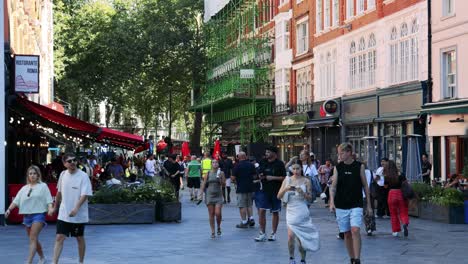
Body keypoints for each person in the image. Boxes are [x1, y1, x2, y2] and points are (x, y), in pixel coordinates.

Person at [329, 143, 372, 264]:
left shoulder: (359, 167)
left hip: (356, 204)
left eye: (341, 153)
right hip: (341, 204)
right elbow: (333, 187)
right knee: (346, 233)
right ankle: (352, 258)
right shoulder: (338, 167)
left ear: (349, 153)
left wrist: (368, 205)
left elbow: (365, 186)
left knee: (355, 230)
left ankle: (358, 259)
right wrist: (332, 202)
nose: (340, 155)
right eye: (339, 153)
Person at [5, 165, 54, 264]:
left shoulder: (43, 186)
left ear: (38, 175)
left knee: (32, 237)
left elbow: (49, 200)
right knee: (33, 238)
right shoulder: (24, 188)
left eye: (34, 173)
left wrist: (50, 209)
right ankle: (42, 257)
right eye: (30, 174)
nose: (32, 175)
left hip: (39, 215)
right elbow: (16, 200)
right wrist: (9, 210)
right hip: (27, 217)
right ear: (28, 176)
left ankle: (29, 261)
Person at [52, 153, 93, 264]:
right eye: (69, 161)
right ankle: (54, 262)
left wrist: (76, 208)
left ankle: (81, 261)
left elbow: (85, 194)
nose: (73, 162)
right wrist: (55, 207)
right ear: (64, 164)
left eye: (74, 160)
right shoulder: (62, 174)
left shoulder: (83, 176)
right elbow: (59, 192)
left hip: (78, 214)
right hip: (64, 212)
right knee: (59, 237)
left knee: (79, 238)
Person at [277, 164, 320, 264]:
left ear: (301, 169)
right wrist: (286, 189)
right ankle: (291, 258)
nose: (295, 171)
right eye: (294, 169)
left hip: (302, 210)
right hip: (291, 210)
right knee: (290, 236)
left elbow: (310, 198)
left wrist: (303, 193)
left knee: (301, 238)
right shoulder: (287, 180)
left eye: (298, 168)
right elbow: (278, 196)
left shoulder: (306, 181)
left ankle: (303, 259)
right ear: (291, 169)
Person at [254, 146, 286, 242]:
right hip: (264, 190)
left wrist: (273, 178)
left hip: (276, 191)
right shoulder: (263, 162)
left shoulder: (279, 164)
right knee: (261, 211)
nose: (266, 154)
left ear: (274, 153)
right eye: (266, 152)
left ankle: (273, 233)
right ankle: (262, 233)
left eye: (268, 152)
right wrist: (259, 176)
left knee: (275, 212)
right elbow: (259, 173)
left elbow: (284, 178)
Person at [199, 159, 225, 238]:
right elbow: (204, 183)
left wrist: (220, 179)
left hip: (218, 195)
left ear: (218, 164)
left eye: (216, 162)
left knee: (218, 213)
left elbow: (223, 185)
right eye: (213, 163)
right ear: (211, 165)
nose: (215, 164)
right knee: (211, 214)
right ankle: (213, 231)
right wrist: (200, 194)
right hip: (209, 195)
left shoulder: (221, 173)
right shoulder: (208, 173)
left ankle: (219, 226)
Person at [385, 160, 410, 237]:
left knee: (393, 213)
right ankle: (405, 222)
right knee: (403, 211)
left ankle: (395, 231)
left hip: (391, 194)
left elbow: (385, 187)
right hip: (400, 193)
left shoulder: (387, 176)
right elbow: (406, 184)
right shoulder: (401, 174)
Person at [232, 152, 256, 228]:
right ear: (245, 157)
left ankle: (244, 222)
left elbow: (233, 177)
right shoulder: (251, 165)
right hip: (250, 187)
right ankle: (251, 219)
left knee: (242, 205)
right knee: (249, 204)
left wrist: (236, 181)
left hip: (241, 188)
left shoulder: (237, 166)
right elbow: (255, 175)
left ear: (239, 157)